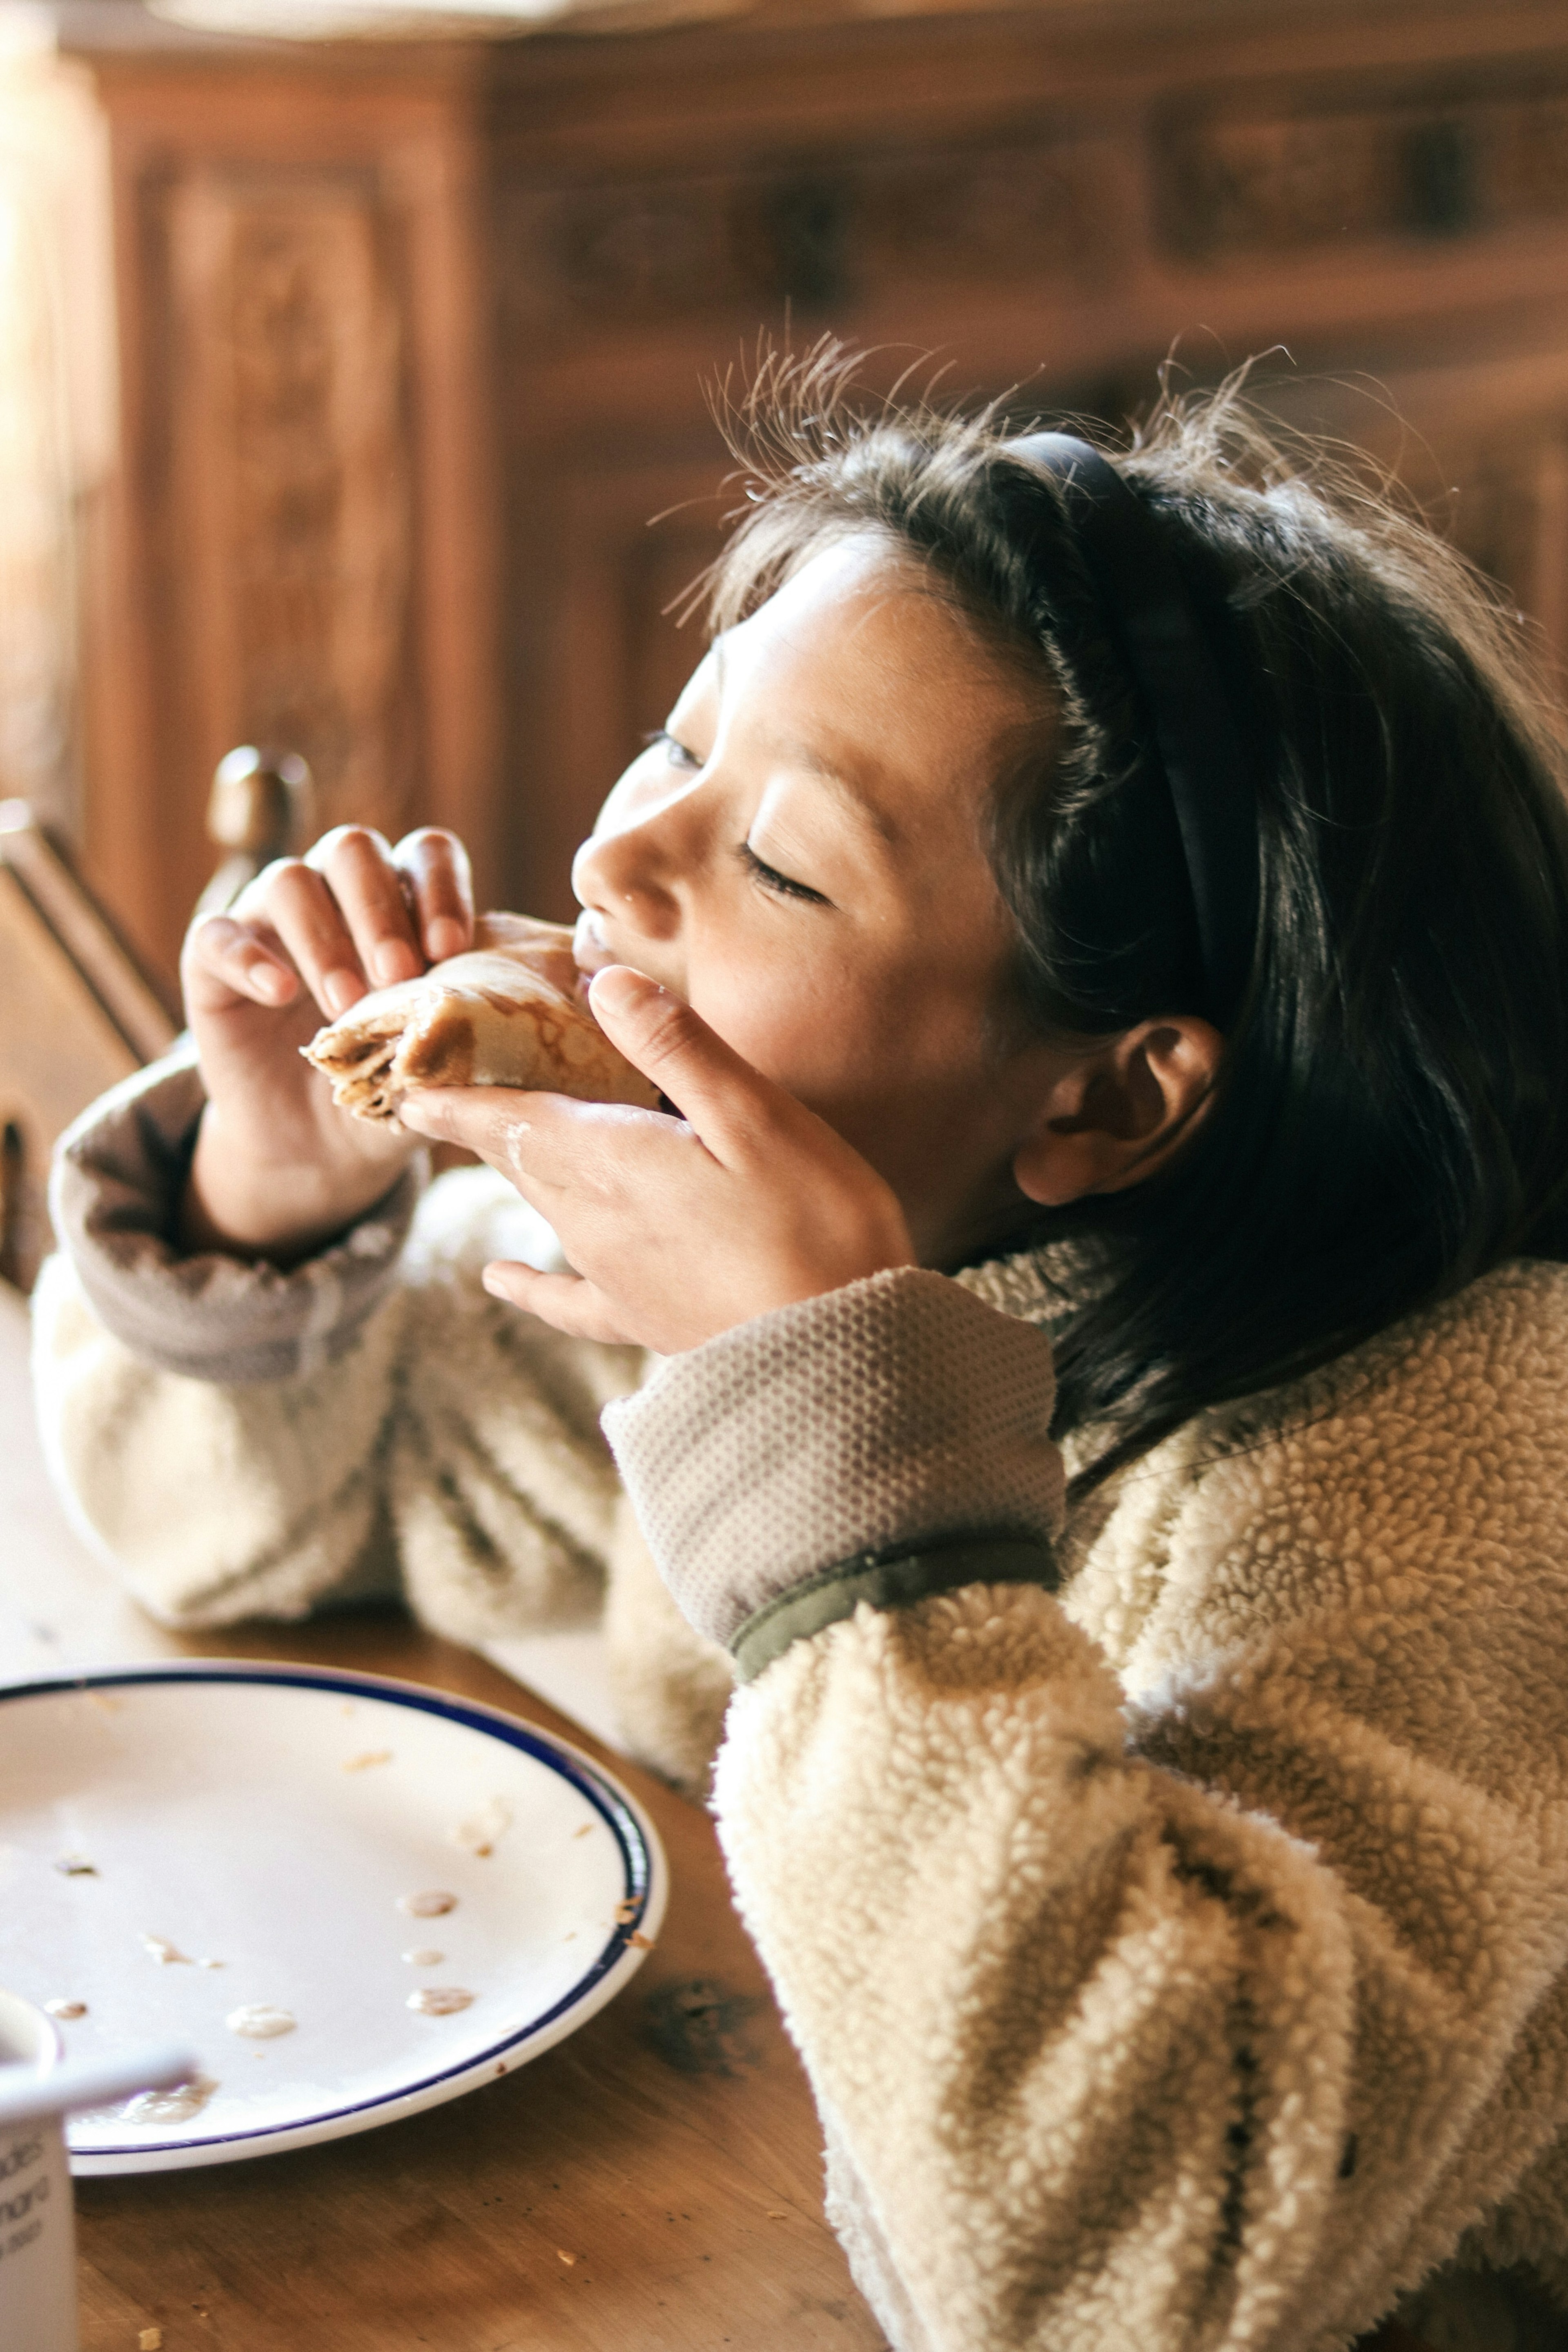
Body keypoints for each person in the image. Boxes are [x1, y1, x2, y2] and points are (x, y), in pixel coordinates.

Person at [32, 361, 1568, 2351]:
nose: (613, 867)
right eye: (674, 747)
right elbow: (254, 1530)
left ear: (1108, 1101)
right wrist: (281, 1196)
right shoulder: (790, 1241)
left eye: (778, 864)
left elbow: (1125, 2270)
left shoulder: (1440, 1455)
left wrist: (840, 1464)